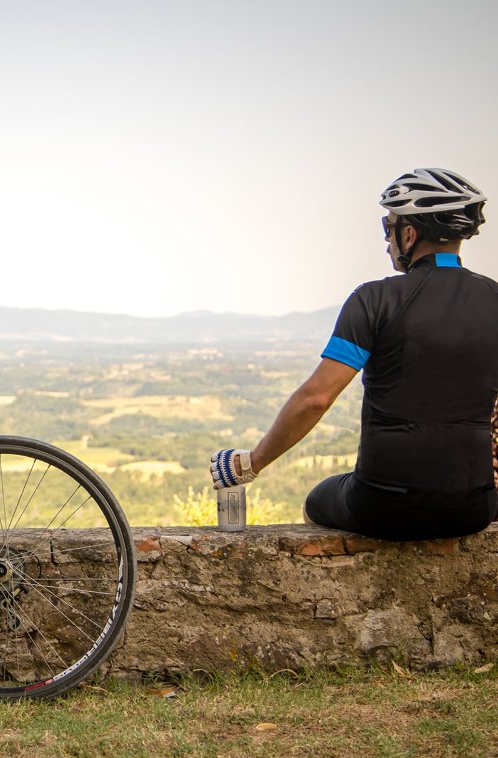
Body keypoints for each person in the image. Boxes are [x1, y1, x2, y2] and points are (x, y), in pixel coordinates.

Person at [211, 167, 498, 540]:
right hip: (474, 508)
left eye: (389, 227)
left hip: (383, 505)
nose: (387, 240)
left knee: (317, 501)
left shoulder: (374, 299)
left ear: (409, 234)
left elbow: (316, 398)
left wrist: (251, 463)